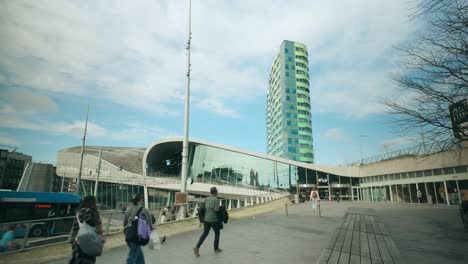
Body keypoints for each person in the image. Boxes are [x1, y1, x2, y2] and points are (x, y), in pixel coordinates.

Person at [69, 195, 104, 264]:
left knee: (77, 260)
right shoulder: (92, 212)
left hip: (77, 242)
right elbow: (98, 228)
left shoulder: (79, 212)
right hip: (89, 242)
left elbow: (75, 228)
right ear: (93, 202)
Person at [193, 187, 222, 257]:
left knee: (205, 234)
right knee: (217, 233)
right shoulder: (217, 200)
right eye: (217, 191)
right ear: (215, 192)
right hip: (213, 220)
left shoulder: (206, 199)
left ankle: (197, 247)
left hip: (206, 219)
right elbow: (216, 210)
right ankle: (216, 248)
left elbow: (204, 208)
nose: (217, 192)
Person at [123, 193, 151, 264]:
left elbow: (124, 223)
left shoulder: (128, 209)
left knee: (140, 259)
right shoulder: (143, 210)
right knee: (131, 259)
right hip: (137, 236)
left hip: (129, 235)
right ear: (141, 200)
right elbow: (149, 222)